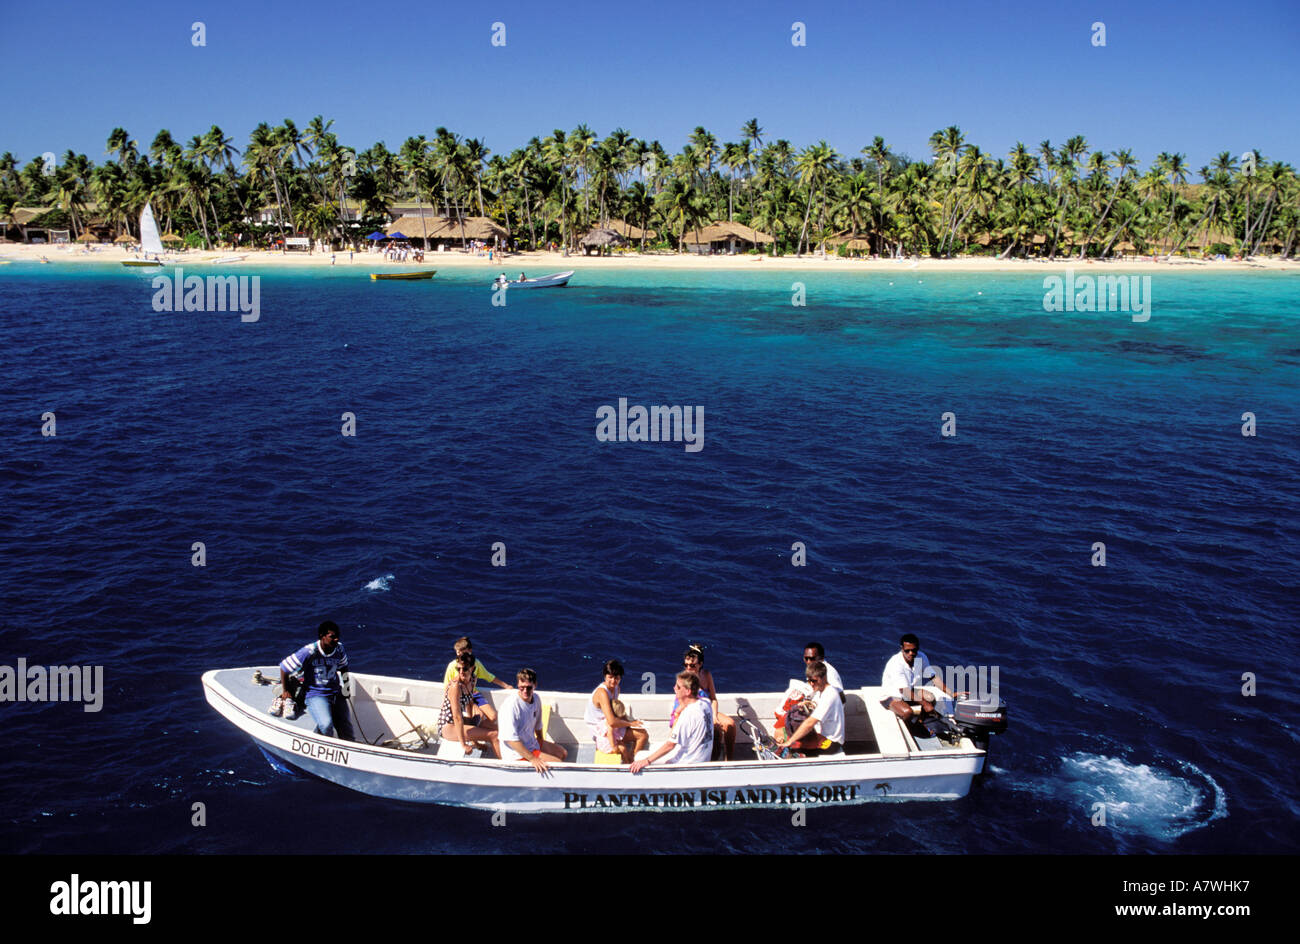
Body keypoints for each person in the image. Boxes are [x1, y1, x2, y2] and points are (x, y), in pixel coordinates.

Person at [275, 620, 355, 741]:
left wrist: (346, 688)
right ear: (322, 637)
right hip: (315, 694)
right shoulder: (308, 651)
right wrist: (286, 691)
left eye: (337, 636)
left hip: (335, 693)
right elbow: (284, 667)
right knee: (326, 725)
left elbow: (343, 667)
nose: (336, 639)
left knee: (347, 730)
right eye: (332, 637)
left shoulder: (339, 649)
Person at [631, 672, 713, 772]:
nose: (674, 688)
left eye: (678, 687)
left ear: (688, 691)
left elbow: (670, 745)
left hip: (689, 763)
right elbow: (697, 699)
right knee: (653, 746)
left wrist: (646, 761)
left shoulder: (687, 715)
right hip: (703, 758)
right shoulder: (706, 703)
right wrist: (682, 706)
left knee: (639, 756)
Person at [500, 668, 567, 772]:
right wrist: (532, 759)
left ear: (535, 685)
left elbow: (538, 726)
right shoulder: (511, 705)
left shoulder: (536, 698)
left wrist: (541, 742)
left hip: (531, 743)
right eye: (522, 687)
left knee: (562, 753)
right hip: (515, 753)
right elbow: (510, 740)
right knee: (558, 765)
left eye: (529, 687)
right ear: (518, 685)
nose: (525, 691)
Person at [678, 645, 737, 761]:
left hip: (709, 711)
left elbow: (713, 699)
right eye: (686, 665)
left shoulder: (706, 675)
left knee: (730, 724)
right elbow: (683, 704)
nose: (688, 668)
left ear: (700, 664)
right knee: (716, 731)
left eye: (692, 665)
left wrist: (714, 716)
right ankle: (712, 762)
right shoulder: (683, 679)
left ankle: (729, 760)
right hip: (694, 714)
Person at [882, 633, 958, 721]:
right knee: (907, 712)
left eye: (914, 650)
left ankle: (920, 722)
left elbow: (933, 677)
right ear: (902, 649)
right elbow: (904, 690)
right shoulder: (895, 663)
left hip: (908, 691)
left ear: (918, 648)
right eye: (907, 650)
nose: (911, 653)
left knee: (930, 698)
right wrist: (925, 704)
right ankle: (912, 727)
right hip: (891, 696)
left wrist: (951, 693)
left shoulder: (921, 657)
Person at [584, 659, 647, 763]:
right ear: (605, 676)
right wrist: (630, 723)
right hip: (601, 730)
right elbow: (612, 722)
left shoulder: (616, 688)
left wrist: (631, 723)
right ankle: (631, 762)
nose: (613, 681)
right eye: (610, 677)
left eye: (616, 678)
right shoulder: (602, 693)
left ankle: (632, 758)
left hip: (609, 725)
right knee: (641, 736)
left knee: (643, 733)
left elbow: (615, 712)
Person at [439, 653, 501, 757]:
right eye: (458, 669)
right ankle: (504, 766)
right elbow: (457, 717)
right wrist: (463, 744)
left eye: (465, 669)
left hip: (461, 722)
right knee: (494, 735)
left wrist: (474, 723)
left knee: (499, 729)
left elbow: (469, 703)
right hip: (448, 726)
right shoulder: (456, 687)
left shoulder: (472, 680)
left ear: (472, 668)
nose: (461, 672)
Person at [777, 660, 844, 755]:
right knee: (787, 734)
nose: (811, 684)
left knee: (793, 746)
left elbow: (810, 723)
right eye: (809, 680)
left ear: (824, 678)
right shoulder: (822, 691)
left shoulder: (830, 695)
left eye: (814, 681)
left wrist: (790, 741)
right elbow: (817, 706)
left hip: (831, 743)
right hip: (822, 735)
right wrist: (807, 704)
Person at [442, 637, 512, 723]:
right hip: (460, 697)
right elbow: (446, 688)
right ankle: (475, 731)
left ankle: (481, 731)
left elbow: (489, 676)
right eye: (458, 653)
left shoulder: (476, 663)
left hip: (473, 694)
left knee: (493, 716)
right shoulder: (452, 666)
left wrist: (506, 686)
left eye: (462, 653)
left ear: (470, 651)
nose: (460, 656)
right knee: (479, 716)